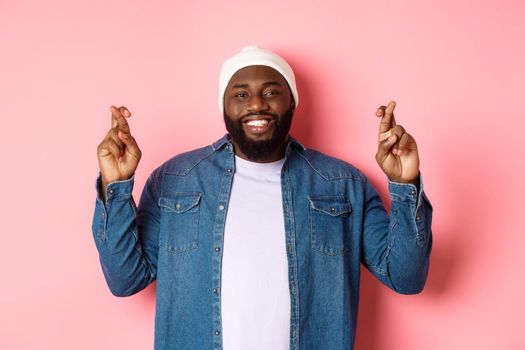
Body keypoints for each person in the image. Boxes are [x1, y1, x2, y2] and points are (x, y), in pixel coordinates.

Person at [92, 45, 433, 350]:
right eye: (240, 94)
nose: (257, 103)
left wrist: (405, 185)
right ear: (223, 106)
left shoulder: (343, 184)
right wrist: (117, 185)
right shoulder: (174, 180)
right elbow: (126, 280)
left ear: (292, 101)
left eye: (271, 91)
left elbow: (405, 277)